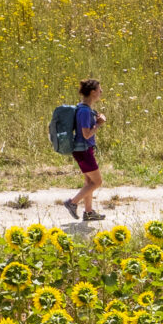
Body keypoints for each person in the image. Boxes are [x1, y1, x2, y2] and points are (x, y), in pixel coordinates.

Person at [63, 79, 105, 222]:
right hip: (84, 150)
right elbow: (86, 134)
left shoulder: (82, 108)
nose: (101, 92)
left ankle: (88, 212)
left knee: (89, 182)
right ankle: (72, 202)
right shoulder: (85, 111)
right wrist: (99, 124)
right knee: (97, 182)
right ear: (93, 92)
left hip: (82, 150)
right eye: (99, 89)